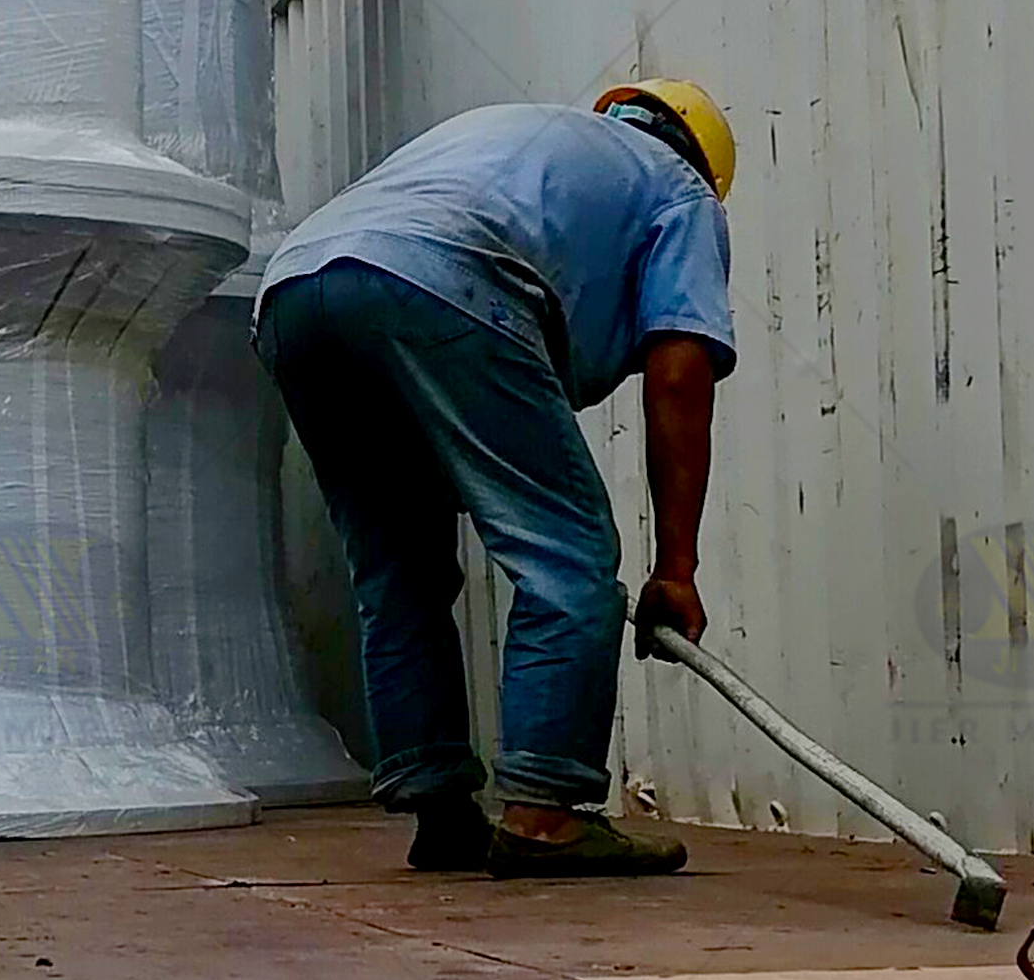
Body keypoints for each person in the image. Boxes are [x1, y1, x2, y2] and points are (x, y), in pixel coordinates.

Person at [253, 81, 736, 878]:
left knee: (398, 568)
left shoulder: (521, 135)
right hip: (444, 275)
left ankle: (440, 810)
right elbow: (680, 371)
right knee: (569, 557)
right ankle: (545, 814)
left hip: (297, 291)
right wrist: (676, 568)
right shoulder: (679, 191)